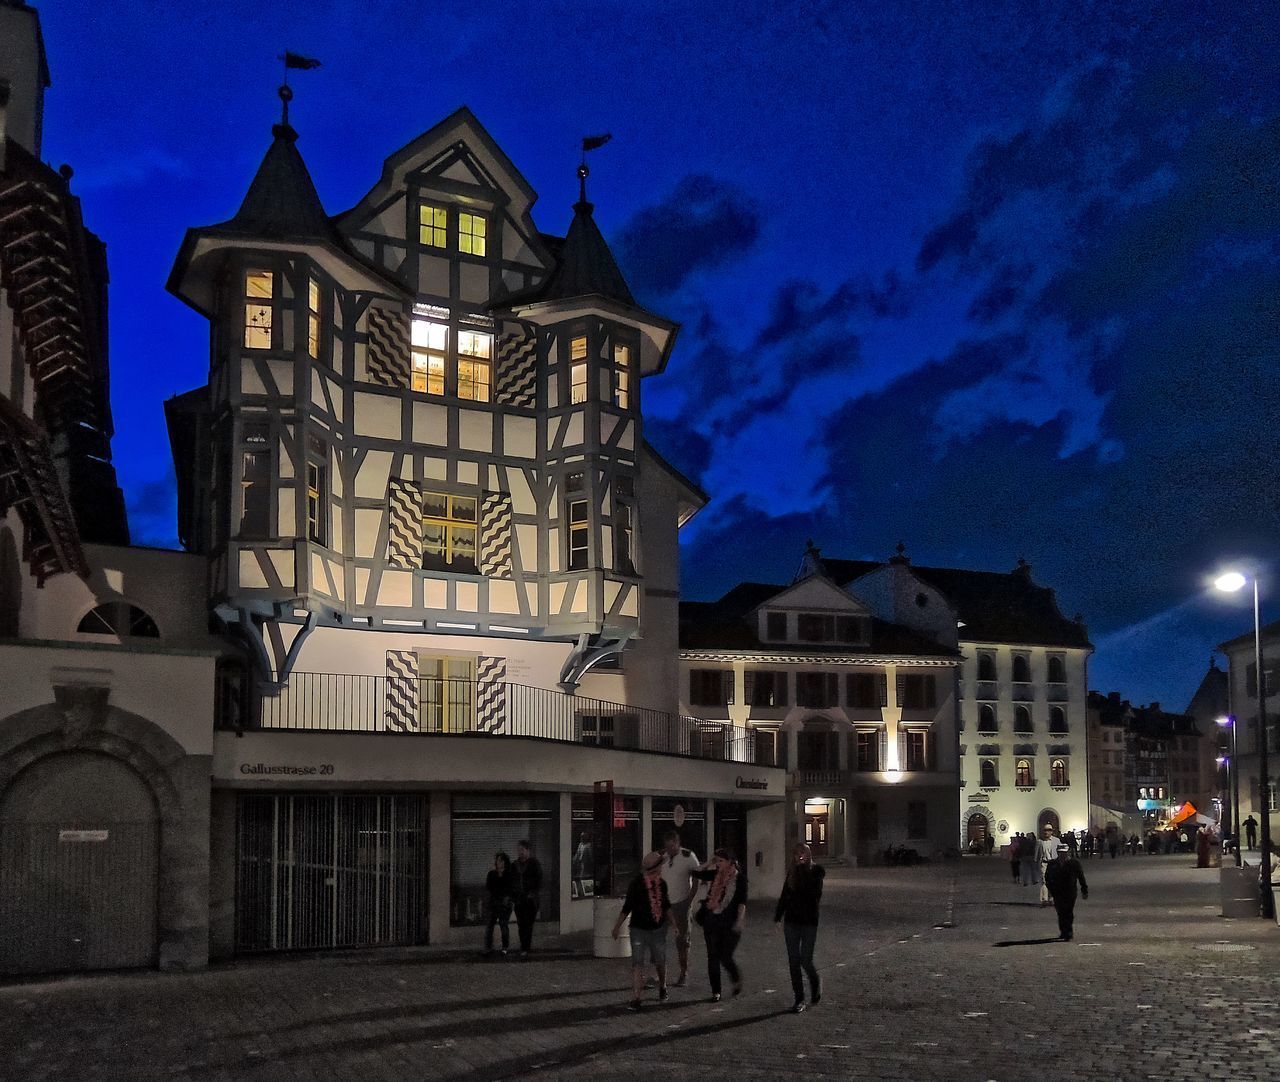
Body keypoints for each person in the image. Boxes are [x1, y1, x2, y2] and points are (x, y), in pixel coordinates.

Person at [612, 851, 673, 1011]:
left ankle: (663, 987)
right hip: (638, 929)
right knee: (637, 963)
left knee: (660, 960)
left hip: (658, 929)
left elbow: (666, 906)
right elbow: (627, 907)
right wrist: (617, 927)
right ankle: (637, 997)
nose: (661, 871)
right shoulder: (636, 884)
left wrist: (674, 925)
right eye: (659, 867)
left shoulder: (662, 884)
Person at [774, 843, 825, 1013]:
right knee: (794, 961)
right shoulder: (792, 873)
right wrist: (778, 916)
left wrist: (803, 870)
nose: (799, 856)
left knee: (806, 960)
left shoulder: (817, 871)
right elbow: (785, 895)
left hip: (809, 921)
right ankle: (799, 998)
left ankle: (815, 982)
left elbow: (813, 894)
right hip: (792, 921)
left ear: (808, 854)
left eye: (802, 853)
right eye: (796, 854)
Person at [693, 848, 748, 1002]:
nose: (718, 864)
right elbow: (695, 872)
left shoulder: (740, 879)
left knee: (725, 956)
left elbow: (742, 902)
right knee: (712, 957)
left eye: (721, 861)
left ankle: (735, 977)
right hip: (712, 921)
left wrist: (739, 920)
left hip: (729, 922)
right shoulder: (715, 875)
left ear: (730, 862)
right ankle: (716, 991)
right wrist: (709, 863)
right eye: (716, 861)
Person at [660, 830, 701, 987]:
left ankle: (683, 973)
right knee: (658, 939)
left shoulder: (688, 856)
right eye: (666, 847)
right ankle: (659, 974)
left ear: (677, 843)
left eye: (671, 846)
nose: (669, 850)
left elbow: (696, 879)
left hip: (680, 904)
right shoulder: (663, 857)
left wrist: (689, 900)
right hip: (664, 904)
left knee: (682, 941)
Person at [1044, 847, 1089, 940]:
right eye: (1060, 852)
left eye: (1064, 852)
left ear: (1068, 852)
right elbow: (1047, 877)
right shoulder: (1052, 864)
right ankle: (1063, 931)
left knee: (1068, 911)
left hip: (1070, 891)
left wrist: (1084, 890)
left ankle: (1068, 931)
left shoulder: (1074, 863)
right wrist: (1050, 889)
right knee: (1060, 912)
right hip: (1057, 892)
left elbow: (1081, 876)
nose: (1062, 854)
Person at [512, 839, 543, 958]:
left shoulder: (534, 864)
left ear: (528, 851)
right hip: (519, 899)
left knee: (528, 924)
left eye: (523, 850)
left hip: (531, 900)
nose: (520, 852)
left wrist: (533, 893)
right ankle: (523, 946)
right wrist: (514, 896)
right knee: (521, 924)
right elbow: (511, 881)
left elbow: (539, 880)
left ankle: (526, 946)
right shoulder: (514, 865)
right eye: (519, 850)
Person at [483, 851, 515, 956]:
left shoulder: (509, 875)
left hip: (504, 903)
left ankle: (504, 947)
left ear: (505, 862)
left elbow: (510, 889)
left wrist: (507, 900)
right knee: (489, 926)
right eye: (497, 860)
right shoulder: (492, 874)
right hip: (493, 903)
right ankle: (487, 947)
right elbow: (489, 888)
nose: (498, 862)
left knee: (503, 925)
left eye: (501, 860)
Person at [1034, 826, 1062, 906]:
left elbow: (1061, 852)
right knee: (1044, 881)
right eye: (1045, 830)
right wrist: (1036, 863)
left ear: (1052, 832)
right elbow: (1036, 854)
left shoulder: (1056, 841)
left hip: (1053, 864)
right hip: (1044, 863)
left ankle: (1051, 898)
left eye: (1049, 830)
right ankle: (1044, 899)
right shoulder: (1039, 842)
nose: (1046, 832)